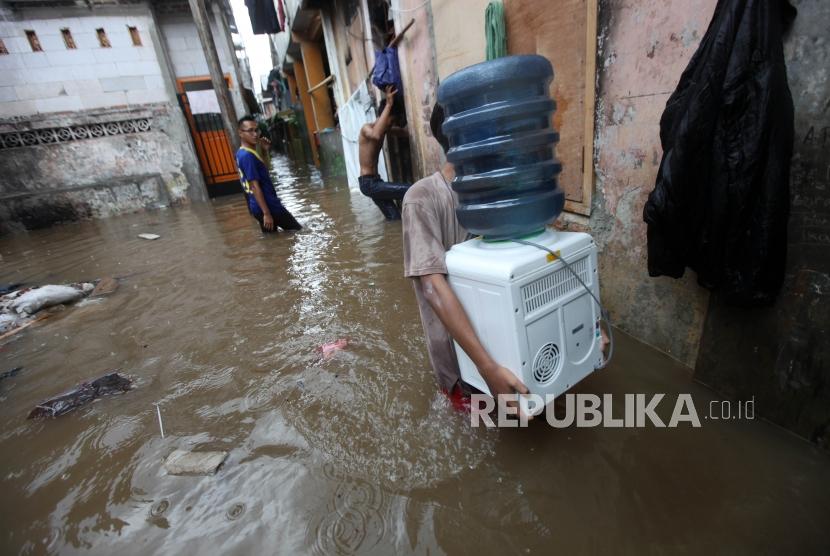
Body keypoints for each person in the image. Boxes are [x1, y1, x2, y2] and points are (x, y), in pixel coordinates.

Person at [402, 103, 530, 412]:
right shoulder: (422, 198)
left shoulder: (499, 190)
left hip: (511, 348)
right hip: (463, 365)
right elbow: (432, 287)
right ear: (460, 137)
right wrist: (487, 369)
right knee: (478, 430)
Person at [236, 115, 302, 233]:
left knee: (272, 241)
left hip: (258, 207)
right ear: (240, 133)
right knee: (298, 231)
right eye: (250, 130)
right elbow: (254, 186)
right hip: (269, 206)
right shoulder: (247, 156)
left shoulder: (243, 152)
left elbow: (262, 173)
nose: (255, 134)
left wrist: (265, 151)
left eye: (256, 130)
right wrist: (266, 213)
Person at [358, 85, 412, 220]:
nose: (392, 124)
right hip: (368, 184)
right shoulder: (366, 129)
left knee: (394, 218)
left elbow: (405, 132)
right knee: (411, 189)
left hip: (375, 181)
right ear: (384, 115)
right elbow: (375, 135)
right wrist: (388, 105)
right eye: (392, 120)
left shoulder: (385, 130)